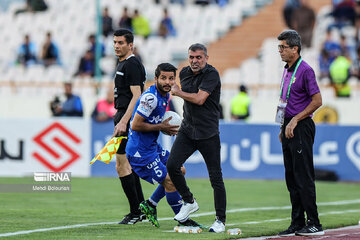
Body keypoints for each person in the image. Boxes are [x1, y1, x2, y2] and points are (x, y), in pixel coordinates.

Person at [126, 63, 204, 229]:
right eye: (163, 78)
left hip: (152, 147)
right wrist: (161, 127)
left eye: (171, 78)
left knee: (179, 170)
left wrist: (164, 127)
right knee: (170, 181)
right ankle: (183, 222)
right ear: (156, 78)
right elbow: (135, 125)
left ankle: (151, 204)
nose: (167, 82)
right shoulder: (151, 98)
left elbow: (154, 122)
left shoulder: (166, 96)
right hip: (140, 152)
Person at [167, 43, 227, 233]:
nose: (194, 61)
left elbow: (200, 99)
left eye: (198, 57)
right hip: (187, 130)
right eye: (191, 57)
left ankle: (220, 220)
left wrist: (178, 93)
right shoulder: (184, 73)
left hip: (208, 133)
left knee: (215, 178)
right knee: (171, 165)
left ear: (206, 58)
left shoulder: (212, 74)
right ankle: (189, 201)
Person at [276, 30, 324, 236]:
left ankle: (314, 222)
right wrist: (283, 125)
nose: (280, 51)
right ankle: (297, 222)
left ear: (295, 48)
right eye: (279, 47)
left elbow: (317, 101)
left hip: (301, 125)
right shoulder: (287, 70)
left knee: (303, 176)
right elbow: (285, 101)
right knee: (291, 177)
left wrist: (295, 120)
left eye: (283, 47)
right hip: (288, 125)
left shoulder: (305, 70)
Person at [112, 29, 146, 224]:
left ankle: (135, 212)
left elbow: (137, 95)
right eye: (115, 42)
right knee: (128, 165)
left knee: (121, 165)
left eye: (121, 43)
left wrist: (124, 121)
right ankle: (140, 209)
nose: (117, 45)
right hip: (123, 116)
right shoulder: (124, 63)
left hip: (127, 118)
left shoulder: (132, 64)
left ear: (130, 45)